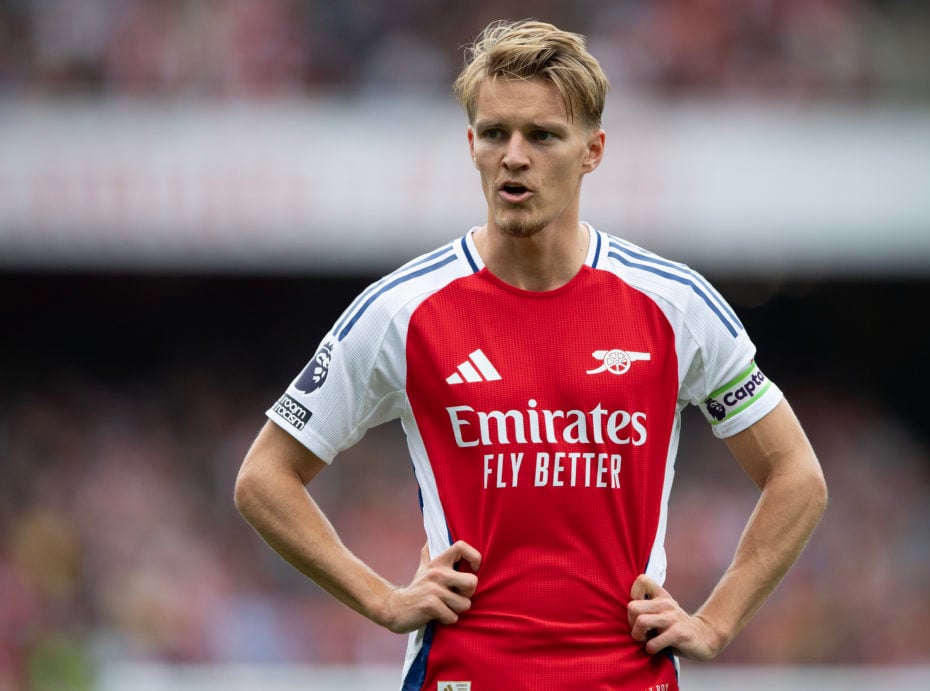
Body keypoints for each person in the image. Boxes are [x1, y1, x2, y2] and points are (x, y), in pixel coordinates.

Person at [235, 19, 827, 690]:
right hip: (465, 675)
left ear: (592, 150)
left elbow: (796, 474)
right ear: (472, 145)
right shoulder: (404, 309)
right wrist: (383, 598)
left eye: (543, 135)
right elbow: (264, 477)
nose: (514, 155)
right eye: (494, 134)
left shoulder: (673, 304)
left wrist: (716, 622)